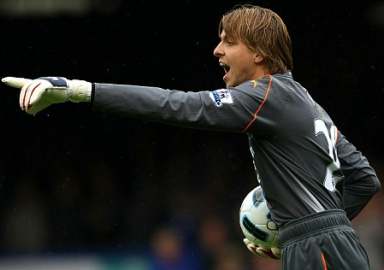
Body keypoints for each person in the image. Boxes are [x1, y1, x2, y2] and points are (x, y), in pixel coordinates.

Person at [2, 4, 381, 270]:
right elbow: (364, 179)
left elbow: (176, 105)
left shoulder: (267, 95)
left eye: (228, 41)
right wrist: (315, 226)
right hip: (334, 245)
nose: (217, 50)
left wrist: (78, 89)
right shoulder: (307, 103)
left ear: (261, 53)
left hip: (319, 252)